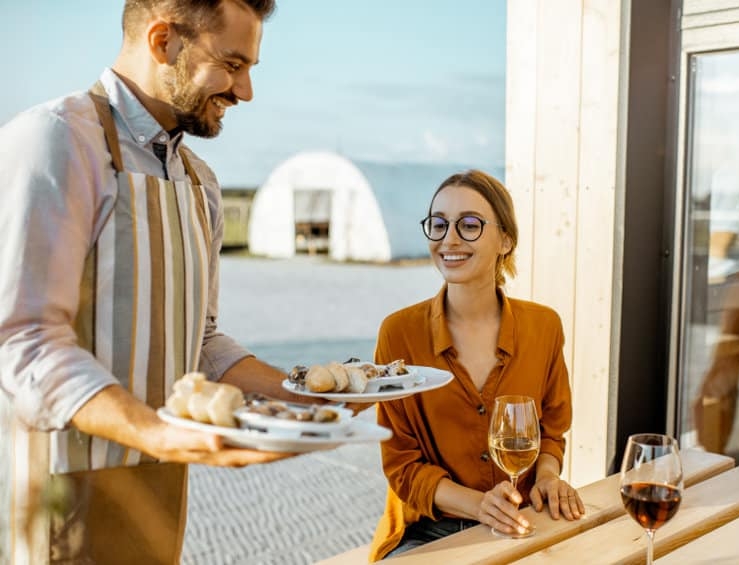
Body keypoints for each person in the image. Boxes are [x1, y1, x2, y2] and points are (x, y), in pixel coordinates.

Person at [0, 1, 315, 563]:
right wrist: (157, 432)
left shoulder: (201, 181)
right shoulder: (57, 140)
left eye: (250, 69)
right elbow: (24, 341)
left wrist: (305, 395)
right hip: (61, 493)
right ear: (163, 40)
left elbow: (202, 341)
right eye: (232, 64)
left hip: (161, 487)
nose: (245, 92)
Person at [369, 170, 585, 560]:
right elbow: (401, 465)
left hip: (527, 519)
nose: (449, 239)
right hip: (428, 532)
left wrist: (549, 476)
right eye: (439, 224)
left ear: (506, 239)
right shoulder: (398, 334)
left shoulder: (544, 326)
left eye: (469, 225)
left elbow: (552, 429)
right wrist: (480, 505)